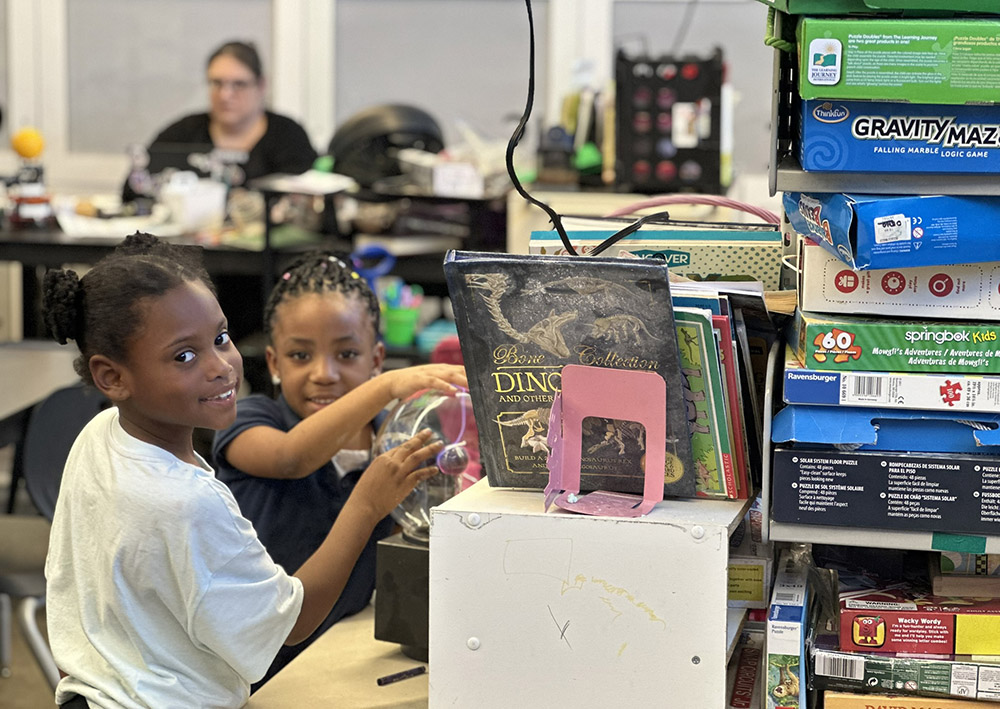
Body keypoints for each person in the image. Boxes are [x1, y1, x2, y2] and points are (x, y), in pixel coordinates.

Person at [41, 233, 451, 708]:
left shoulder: (103, 432)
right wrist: (367, 502)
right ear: (112, 377)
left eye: (220, 338)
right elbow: (291, 624)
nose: (221, 367)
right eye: (185, 356)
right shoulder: (189, 500)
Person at [211, 252, 467, 687]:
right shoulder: (248, 420)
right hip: (253, 669)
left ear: (376, 356)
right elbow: (292, 457)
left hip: (346, 652)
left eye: (347, 353)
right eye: (300, 355)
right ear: (273, 364)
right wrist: (383, 387)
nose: (324, 374)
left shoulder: (396, 439)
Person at [121, 40, 317, 202]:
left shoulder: (288, 136)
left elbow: (313, 200)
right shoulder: (183, 133)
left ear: (261, 85)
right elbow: (133, 190)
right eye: (217, 83)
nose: (225, 95)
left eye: (238, 84)